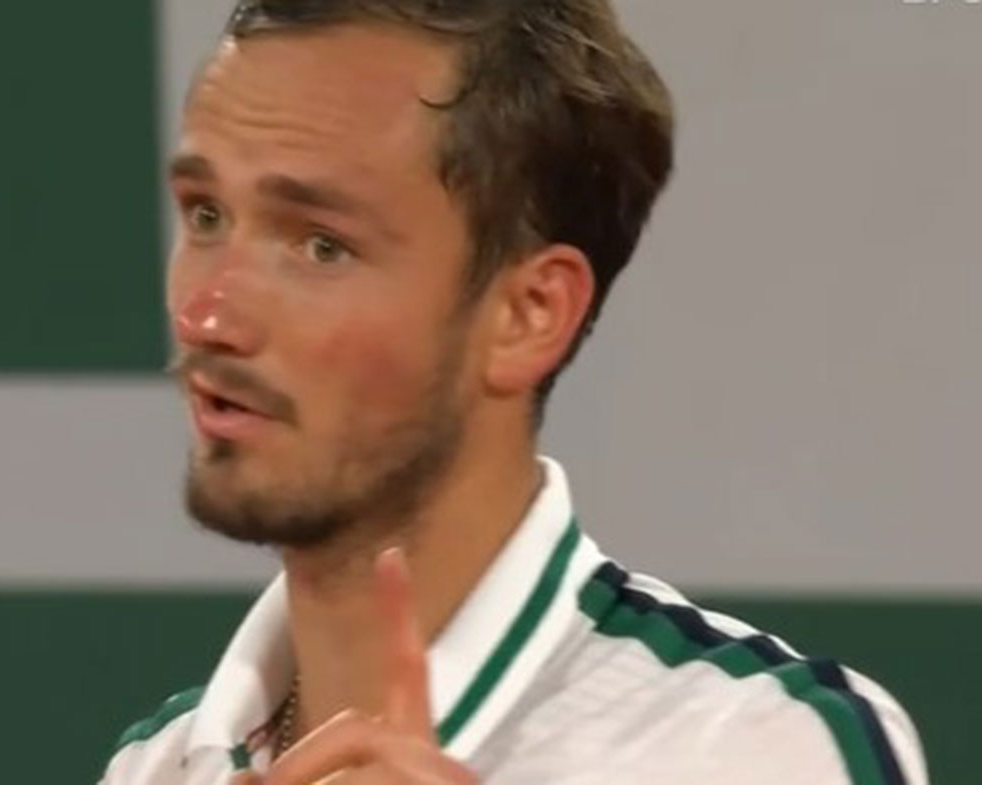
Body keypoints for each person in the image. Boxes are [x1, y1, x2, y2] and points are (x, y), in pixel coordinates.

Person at [101, 1, 927, 783]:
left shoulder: (754, 748)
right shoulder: (158, 763)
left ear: (527, 314)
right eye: (205, 215)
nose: (208, 313)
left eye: (321, 245)